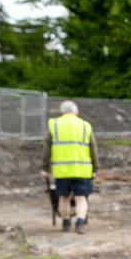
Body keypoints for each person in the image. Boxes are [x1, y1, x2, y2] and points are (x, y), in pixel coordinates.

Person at [40, 100, 99, 235]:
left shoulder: (54, 125)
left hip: (62, 171)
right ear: (76, 112)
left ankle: (66, 223)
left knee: (64, 197)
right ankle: (80, 223)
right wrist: (95, 169)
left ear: (61, 112)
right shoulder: (85, 126)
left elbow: (46, 149)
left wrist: (44, 168)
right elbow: (93, 150)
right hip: (82, 170)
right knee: (81, 197)